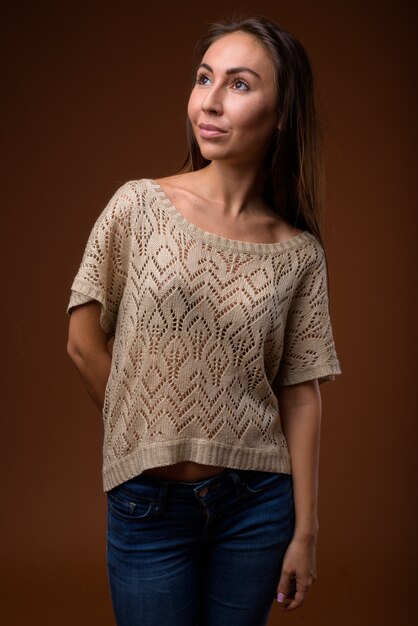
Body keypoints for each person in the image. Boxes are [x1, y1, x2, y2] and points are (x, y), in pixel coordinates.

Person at [66, 14, 341, 626]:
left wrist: (306, 530)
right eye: (203, 78)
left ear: (282, 113)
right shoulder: (138, 206)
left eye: (239, 85)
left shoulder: (298, 252)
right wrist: (140, 434)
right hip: (147, 504)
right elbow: (82, 343)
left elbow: (301, 394)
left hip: (257, 505)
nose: (210, 102)